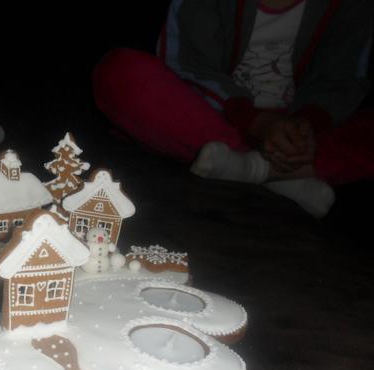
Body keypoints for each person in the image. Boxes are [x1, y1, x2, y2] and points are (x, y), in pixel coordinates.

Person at [93, 0, 373, 217]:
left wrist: (306, 128)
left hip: (305, 132)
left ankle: (257, 168)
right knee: (119, 73)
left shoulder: (350, 7)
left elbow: (342, 81)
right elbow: (186, 65)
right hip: (217, 120)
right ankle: (281, 172)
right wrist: (257, 123)